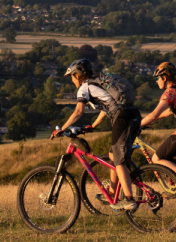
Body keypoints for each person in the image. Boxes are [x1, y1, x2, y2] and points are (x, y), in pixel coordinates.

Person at [55, 58, 142, 211]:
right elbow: (107, 106)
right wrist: (93, 126)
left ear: (77, 75)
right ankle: (112, 191)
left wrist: (62, 129)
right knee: (112, 155)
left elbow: (78, 111)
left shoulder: (84, 88)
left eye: (72, 77)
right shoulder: (99, 83)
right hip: (134, 114)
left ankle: (129, 199)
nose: (72, 81)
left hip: (122, 117)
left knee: (119, 160)